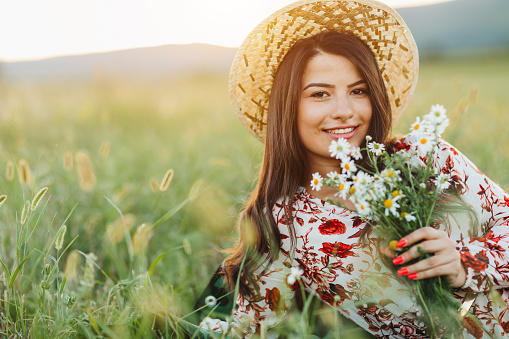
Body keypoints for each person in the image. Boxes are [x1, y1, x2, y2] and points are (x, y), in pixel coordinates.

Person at [199, 0, 509, 337]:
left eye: (358, 91)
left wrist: (465, 264)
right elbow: (256, 329)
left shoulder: (423, 155)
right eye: (320, 95)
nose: (345, 111)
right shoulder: (280, 225)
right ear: (287, 108)